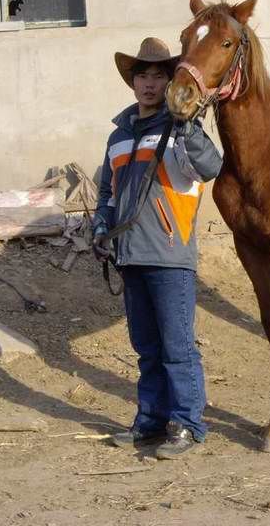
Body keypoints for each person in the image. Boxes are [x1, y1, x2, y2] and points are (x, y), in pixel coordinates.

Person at [92, 37, 223, 459]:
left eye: (157, 76)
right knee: (146, 348)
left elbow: (211, 167)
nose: (149, 84)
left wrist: (187, 125)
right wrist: (101, 228)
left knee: (177, 347)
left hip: (169, 255)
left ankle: (187, 424)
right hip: (129, 256)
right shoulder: (118, 137)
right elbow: (108, 191)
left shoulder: (180, 129)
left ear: (169, 82)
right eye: (142, 76)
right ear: (133, 83)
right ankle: (149, 421)